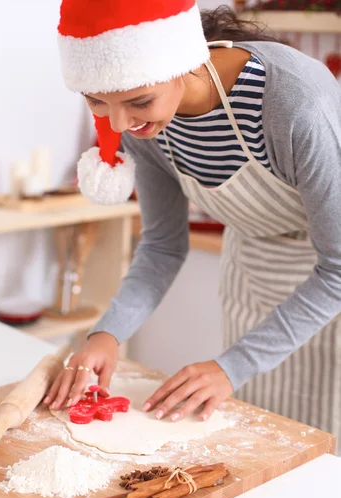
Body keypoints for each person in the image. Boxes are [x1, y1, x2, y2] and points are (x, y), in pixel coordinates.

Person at [44, 0, 341, 442]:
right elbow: (163, 245)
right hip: (254, 275)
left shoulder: (293, 102)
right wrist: (106, 334)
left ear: (183, 59)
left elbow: (337, 268)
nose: (121, 122)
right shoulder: (144, 126)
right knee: (258, 438)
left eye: (139, 101)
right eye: (97, 102)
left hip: (331, 291)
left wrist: (232, 365)